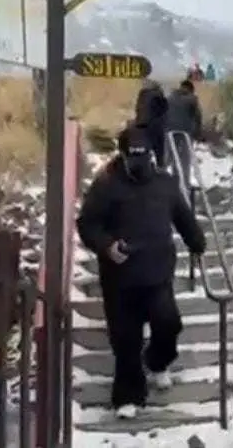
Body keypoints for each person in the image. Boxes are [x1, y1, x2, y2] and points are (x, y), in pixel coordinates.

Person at [75, 125, 208, 420]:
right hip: (119, 277)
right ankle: (127, 396)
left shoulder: (165, 183)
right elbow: (87, 224)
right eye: (133, 156)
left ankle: (159, 361)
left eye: (144, 156)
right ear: (122, 155)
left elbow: (183, 216)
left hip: (157, 272)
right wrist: (107, 246)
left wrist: (196, 241)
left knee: (169, 323)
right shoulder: (106, 185)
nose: (139, 162)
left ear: (152, 154)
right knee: (125, 340)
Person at [165, 78, 203, 187]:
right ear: (191, 90)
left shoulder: (169, 98)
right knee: (184, 160)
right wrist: (198, 134)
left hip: (169, 132)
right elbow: (198, 117)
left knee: (170, 158)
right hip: (185, 133)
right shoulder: (192, 99)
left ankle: (172, 182)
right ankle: (184, 184)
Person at [134, 79, 169, 164]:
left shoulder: (142, 94)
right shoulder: (158, 95)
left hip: (140, 126)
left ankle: (142, 169)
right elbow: (164, 109)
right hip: (154, 126)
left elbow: (137, 109)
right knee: (159, 150)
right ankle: (160, 167)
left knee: (143, 151)